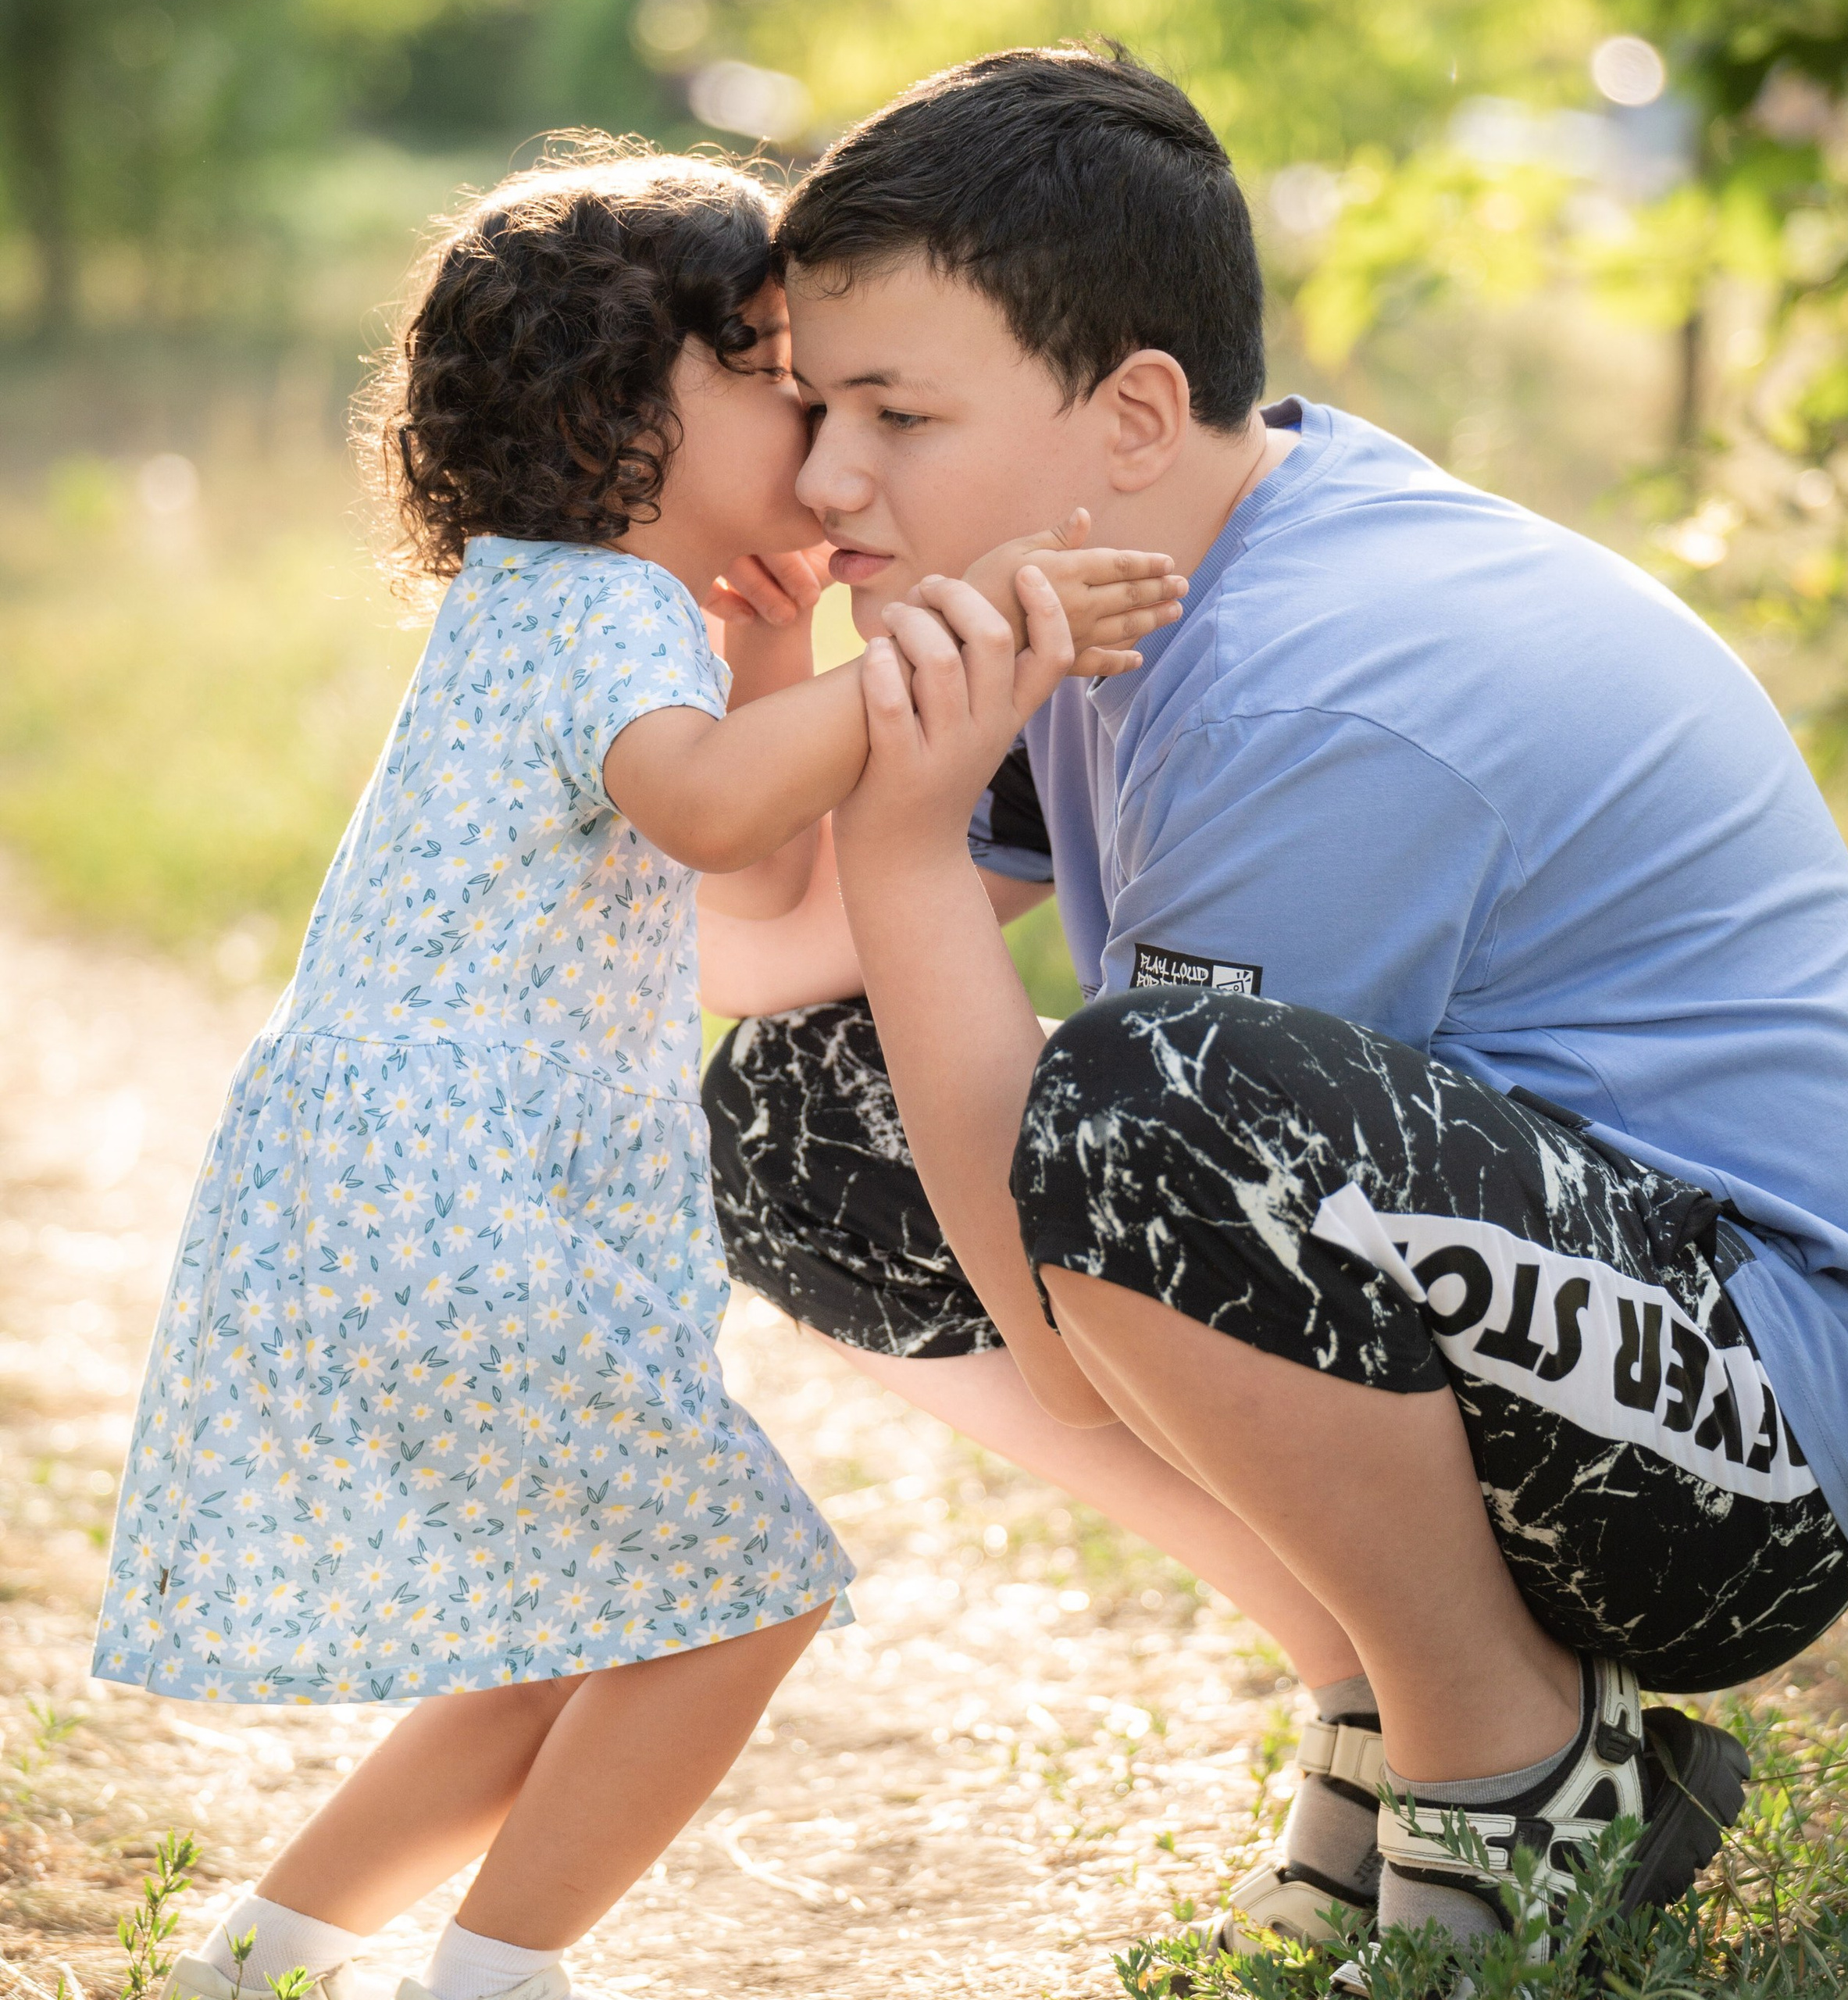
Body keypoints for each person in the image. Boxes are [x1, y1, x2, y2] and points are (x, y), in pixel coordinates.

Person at [696, 46, 1848, 1973]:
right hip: (1534, 1317)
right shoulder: (1103, 571)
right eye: (815, 407)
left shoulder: (1321, 688)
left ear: (1133, 406)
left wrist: (901, 856)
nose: (823, 476)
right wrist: (768, 654)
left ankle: (1517, 1758)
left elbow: (1093, 1303)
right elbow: (757, 966)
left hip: (1749, 1444)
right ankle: (1377, 1691)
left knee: (1144, 1111)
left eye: (892, 410)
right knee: (793, 1119)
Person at [90, 137, 1183, 2000]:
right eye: (773, 377)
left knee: (578, 1618)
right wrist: (952, 632)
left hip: (427, 1182)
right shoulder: (588, 598)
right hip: (451, 1181)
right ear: (624, 414)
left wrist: (781, 647)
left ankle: (265, 1956)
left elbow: (742, 862)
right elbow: (703, 803)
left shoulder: (605, 608)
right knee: (743, 1595)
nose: (823, 437)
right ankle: (501, 1972)